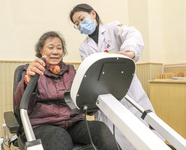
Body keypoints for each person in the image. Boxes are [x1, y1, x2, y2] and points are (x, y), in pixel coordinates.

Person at [69, 3, 163, 150]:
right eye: (77, 24)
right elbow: (88, 71)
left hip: (128, 92)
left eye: (82, 19)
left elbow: (133, 34)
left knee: (143, 133)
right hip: (104, 97)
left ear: (93, 13)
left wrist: (130, 51)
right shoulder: (84, 47)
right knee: (116, 138)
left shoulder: (113, 29)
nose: (81, 24)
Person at [13, 31, 119, 150]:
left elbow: (80, 98)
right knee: (60, 136)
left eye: (59, 48)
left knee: (100, 129)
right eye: (51, 47)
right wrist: (28, 82)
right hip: (43, 124)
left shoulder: (71, 71)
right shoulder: (32, 70)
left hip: (73, 123)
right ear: (41, 50)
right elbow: (20, 104)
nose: (55, 52)